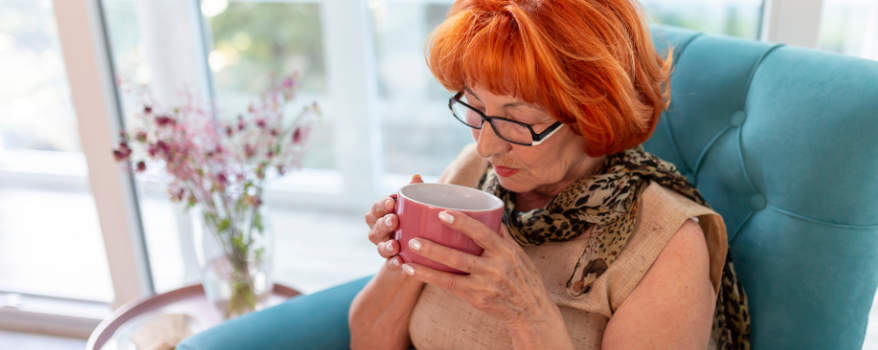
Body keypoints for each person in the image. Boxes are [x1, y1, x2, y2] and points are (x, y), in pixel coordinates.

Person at [349, 0, 751, 349]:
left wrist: (529, 313)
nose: (487, 146)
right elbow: (367, 341)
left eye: (517, 119)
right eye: (475, 105)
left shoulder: (666, 246)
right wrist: (405, 253)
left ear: (592, 114)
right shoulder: (472, 170)